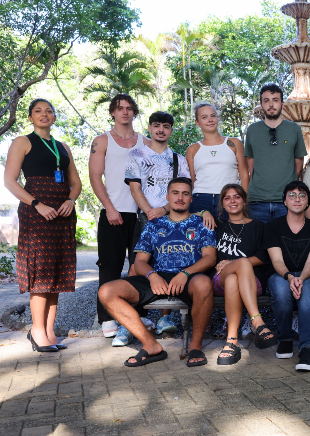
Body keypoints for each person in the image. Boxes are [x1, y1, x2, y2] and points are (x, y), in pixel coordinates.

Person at [97, 178, 215, 367]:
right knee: (106, 292)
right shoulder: (153, 225)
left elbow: (209, 258)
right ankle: (150, 344)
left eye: (185, 194)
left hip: (189, 278)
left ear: (191, 199)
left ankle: (195, 345)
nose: (180, 197)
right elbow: (140, 261)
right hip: (158, 276)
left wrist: (184, 274)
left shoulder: (201, 223)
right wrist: (152, 276)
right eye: (175, 193)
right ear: (167, 197)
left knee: (204, 284)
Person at [4, 98, 81, 352]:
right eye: (38, 111)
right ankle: (36, 331)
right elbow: (10, 181)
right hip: (37, 213)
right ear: (30, 117)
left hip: (62, 213)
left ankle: (49, 331)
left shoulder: (63, 147)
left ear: (54, 117)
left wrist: (70, 200)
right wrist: (37, 204)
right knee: (41, 271)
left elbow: (76, 183)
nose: (44, 114)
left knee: (56, 272)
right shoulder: (22, 142)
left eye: (49, 111)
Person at [89, 93, 150, 340]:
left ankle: (138, 314)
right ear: (112, 113)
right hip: (113, 213)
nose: (124, 112)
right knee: (110, 267)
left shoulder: (145, 142)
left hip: (141, 215)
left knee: (139, 267)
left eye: (128, 108)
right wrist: (110, 208)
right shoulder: (102, 141)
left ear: (134, 112)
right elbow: (95, 178)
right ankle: (106, 319)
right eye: (119, 108)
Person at [125, 111, 190, 335]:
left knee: (168, 264)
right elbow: (135, 188)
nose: (161, 130)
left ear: (171, 130)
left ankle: (165, 317)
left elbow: (184, 189)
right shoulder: (137, 155)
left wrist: (164, 210)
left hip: (171, 218)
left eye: (165, 126)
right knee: (136, 266)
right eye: (156, 125)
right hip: (145, 218)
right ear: (150, 129)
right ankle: (131, 321)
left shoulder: (178, 159)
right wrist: (150, 213)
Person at [212, 184, 276, 365]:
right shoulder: (217, 226)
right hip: (220, 279)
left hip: (251, 281)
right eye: (227, 198)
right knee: (233, 273)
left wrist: (235, 263)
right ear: (222, 204)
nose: (233, 201)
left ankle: (231, 341)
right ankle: (258, 322)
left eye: (237, 196)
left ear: (244, 201)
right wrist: (203, 213)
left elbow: (264, 257)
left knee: (235, 276)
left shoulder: (258, 226)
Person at [265, 181, 310, 371]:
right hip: (282, 274)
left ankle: (308, 347)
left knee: (306, 291)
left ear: (308, 202)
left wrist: (301, 278)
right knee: (281, 291)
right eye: (292, 195)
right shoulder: (273, 226)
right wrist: (290, 277)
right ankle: (285, 338)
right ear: (284, 201)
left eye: (302, 195)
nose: (297, 199)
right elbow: (277, 261)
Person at [245, 83, 307, 223]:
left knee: (285, 243)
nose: (271, 104)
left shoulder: (294, 129)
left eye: (275, 100)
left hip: (286, 201)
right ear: (261, 104)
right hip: (257, 201)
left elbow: (298, 164)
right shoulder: (252, 130)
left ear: (282, 104)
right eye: (266, 100)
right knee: (258, 244)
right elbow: (251, 163)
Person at [186, 102, 249, 219]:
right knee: (201, 237)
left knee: (228, 236)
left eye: (213, 115)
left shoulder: (233, 143)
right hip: (201, 200)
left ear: (217, 118)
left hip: (229, 198)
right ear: (197, 122)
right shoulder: (193, 149)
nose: (210, 120)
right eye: (204, 117)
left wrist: (243, 201)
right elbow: (193, 180)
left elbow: (244, 175)